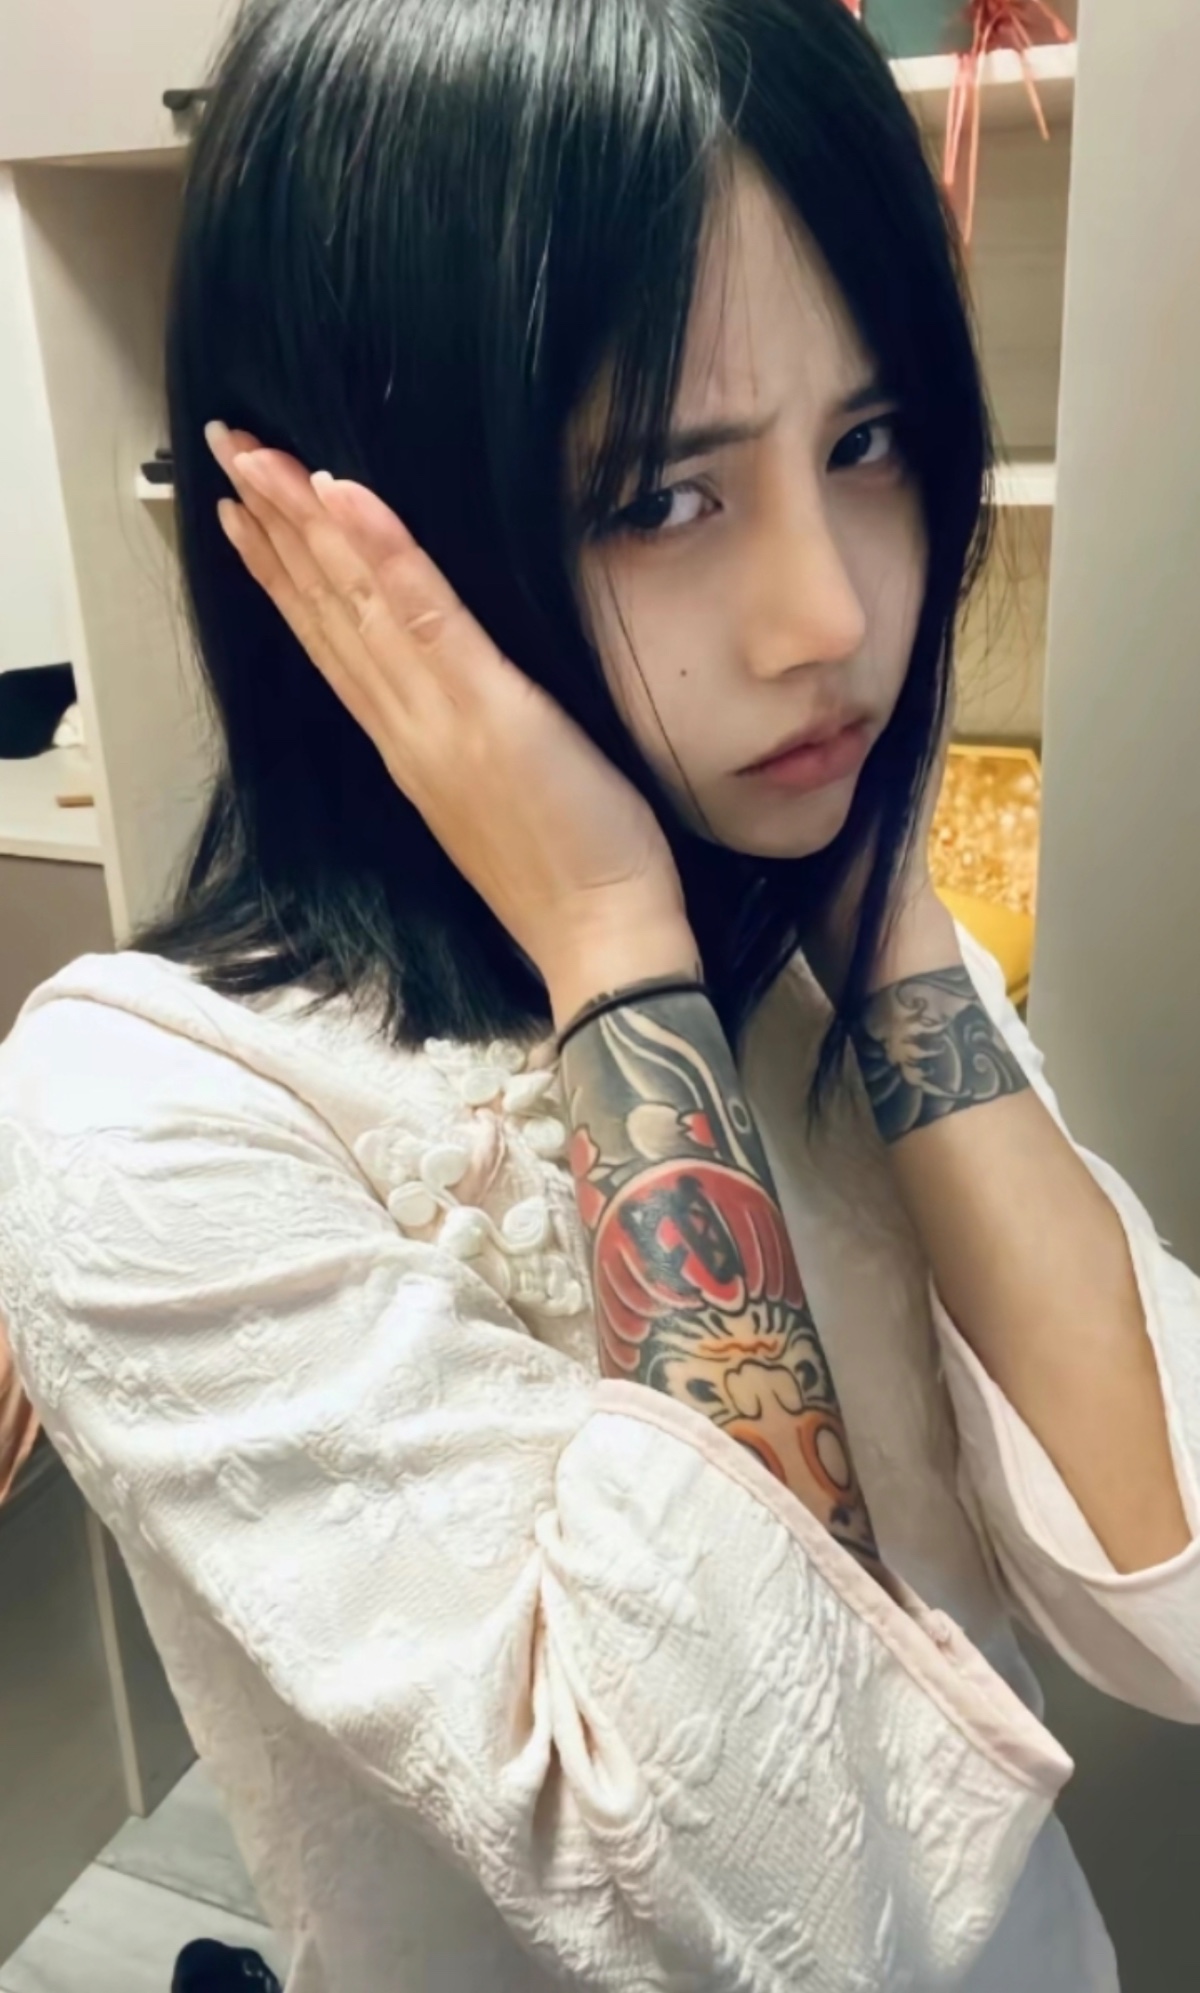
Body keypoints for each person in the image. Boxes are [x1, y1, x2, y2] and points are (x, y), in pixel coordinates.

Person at [0, 0, 1197, 1986]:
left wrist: (890, 913)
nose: (833, 616)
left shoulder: (828, 939)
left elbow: (1169, 1584)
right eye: (661, 493)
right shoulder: (142, 1115)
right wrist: (612, 940)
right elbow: (793, 1901)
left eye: (870, 442)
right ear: (346, 524)